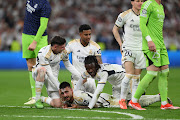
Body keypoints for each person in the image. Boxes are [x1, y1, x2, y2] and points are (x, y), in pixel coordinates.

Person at [128, 0, 180, 110]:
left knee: (165, 71)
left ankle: (164, 103)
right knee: (152, 73)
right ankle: (134, 101)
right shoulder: (148, 4)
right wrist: (149, 40)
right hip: (151, 44)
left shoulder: (160, 6)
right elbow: (142, 24)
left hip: (161, 44)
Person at [74, 55, 166, 109]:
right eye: (87, 68)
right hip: (117, 85)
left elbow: (98, 92)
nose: (90, 71)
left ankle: (158, 97)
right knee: (116, 104)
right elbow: (80, 82)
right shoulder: (88, 71)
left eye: (91, 68)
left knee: (130, 103)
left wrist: (89, 107)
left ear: (96, 65)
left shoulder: (103, 72)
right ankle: (140, 95)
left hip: (127, 81)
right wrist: (74, 94)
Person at [112, 0, 145, 109]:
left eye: (142, 1)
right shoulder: (124, 15)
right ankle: (122, 100)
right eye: (138, 1)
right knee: (129, 74)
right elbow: (115, 29)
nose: (140, 3)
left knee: (136, 76)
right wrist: (121, 44)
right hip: (128, 47)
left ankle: (134, 101)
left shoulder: (146, 15)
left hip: (141, 49)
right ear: (132, 2)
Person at [32, 36, 80, 108]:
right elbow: (49, 73)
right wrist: (59, 88)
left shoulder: (63, 51)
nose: (64, 49)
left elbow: (68, 65)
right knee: (42, 70)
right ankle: (37, 99)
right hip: (39, 73)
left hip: (53, 77)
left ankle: (42, 99)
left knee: (58, 104)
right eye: (62, 47)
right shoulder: (43, 53)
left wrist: (81, 76)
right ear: (55, 47)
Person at [22, 0, 51, 105]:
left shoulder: (45, 5)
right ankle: (35, 97)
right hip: (26, 35)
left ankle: (49, 95)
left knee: (42, 67)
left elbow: (43, 26)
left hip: (40, 39)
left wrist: (35, 42)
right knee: (30, 65)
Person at [59, 81, 162, 109]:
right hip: (104, 98)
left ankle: (159, 97)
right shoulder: (69, 97)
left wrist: (78, 107)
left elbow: (94, 105)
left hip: (106, 101)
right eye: (63, 93)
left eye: (66, 92)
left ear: (72, 90)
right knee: (129, 100)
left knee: (130, 103)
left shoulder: (80, 97)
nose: (65, 95)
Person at [65, 24, 102, 94]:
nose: (88, 37)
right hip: (76, 79)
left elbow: (100, 63)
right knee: (78, 101)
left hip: (90, 79)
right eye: (86, 35)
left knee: (94, 103)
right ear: (80, 34)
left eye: (89, 34)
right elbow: (63, 56)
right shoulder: (72, 44)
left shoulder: (95, 46)